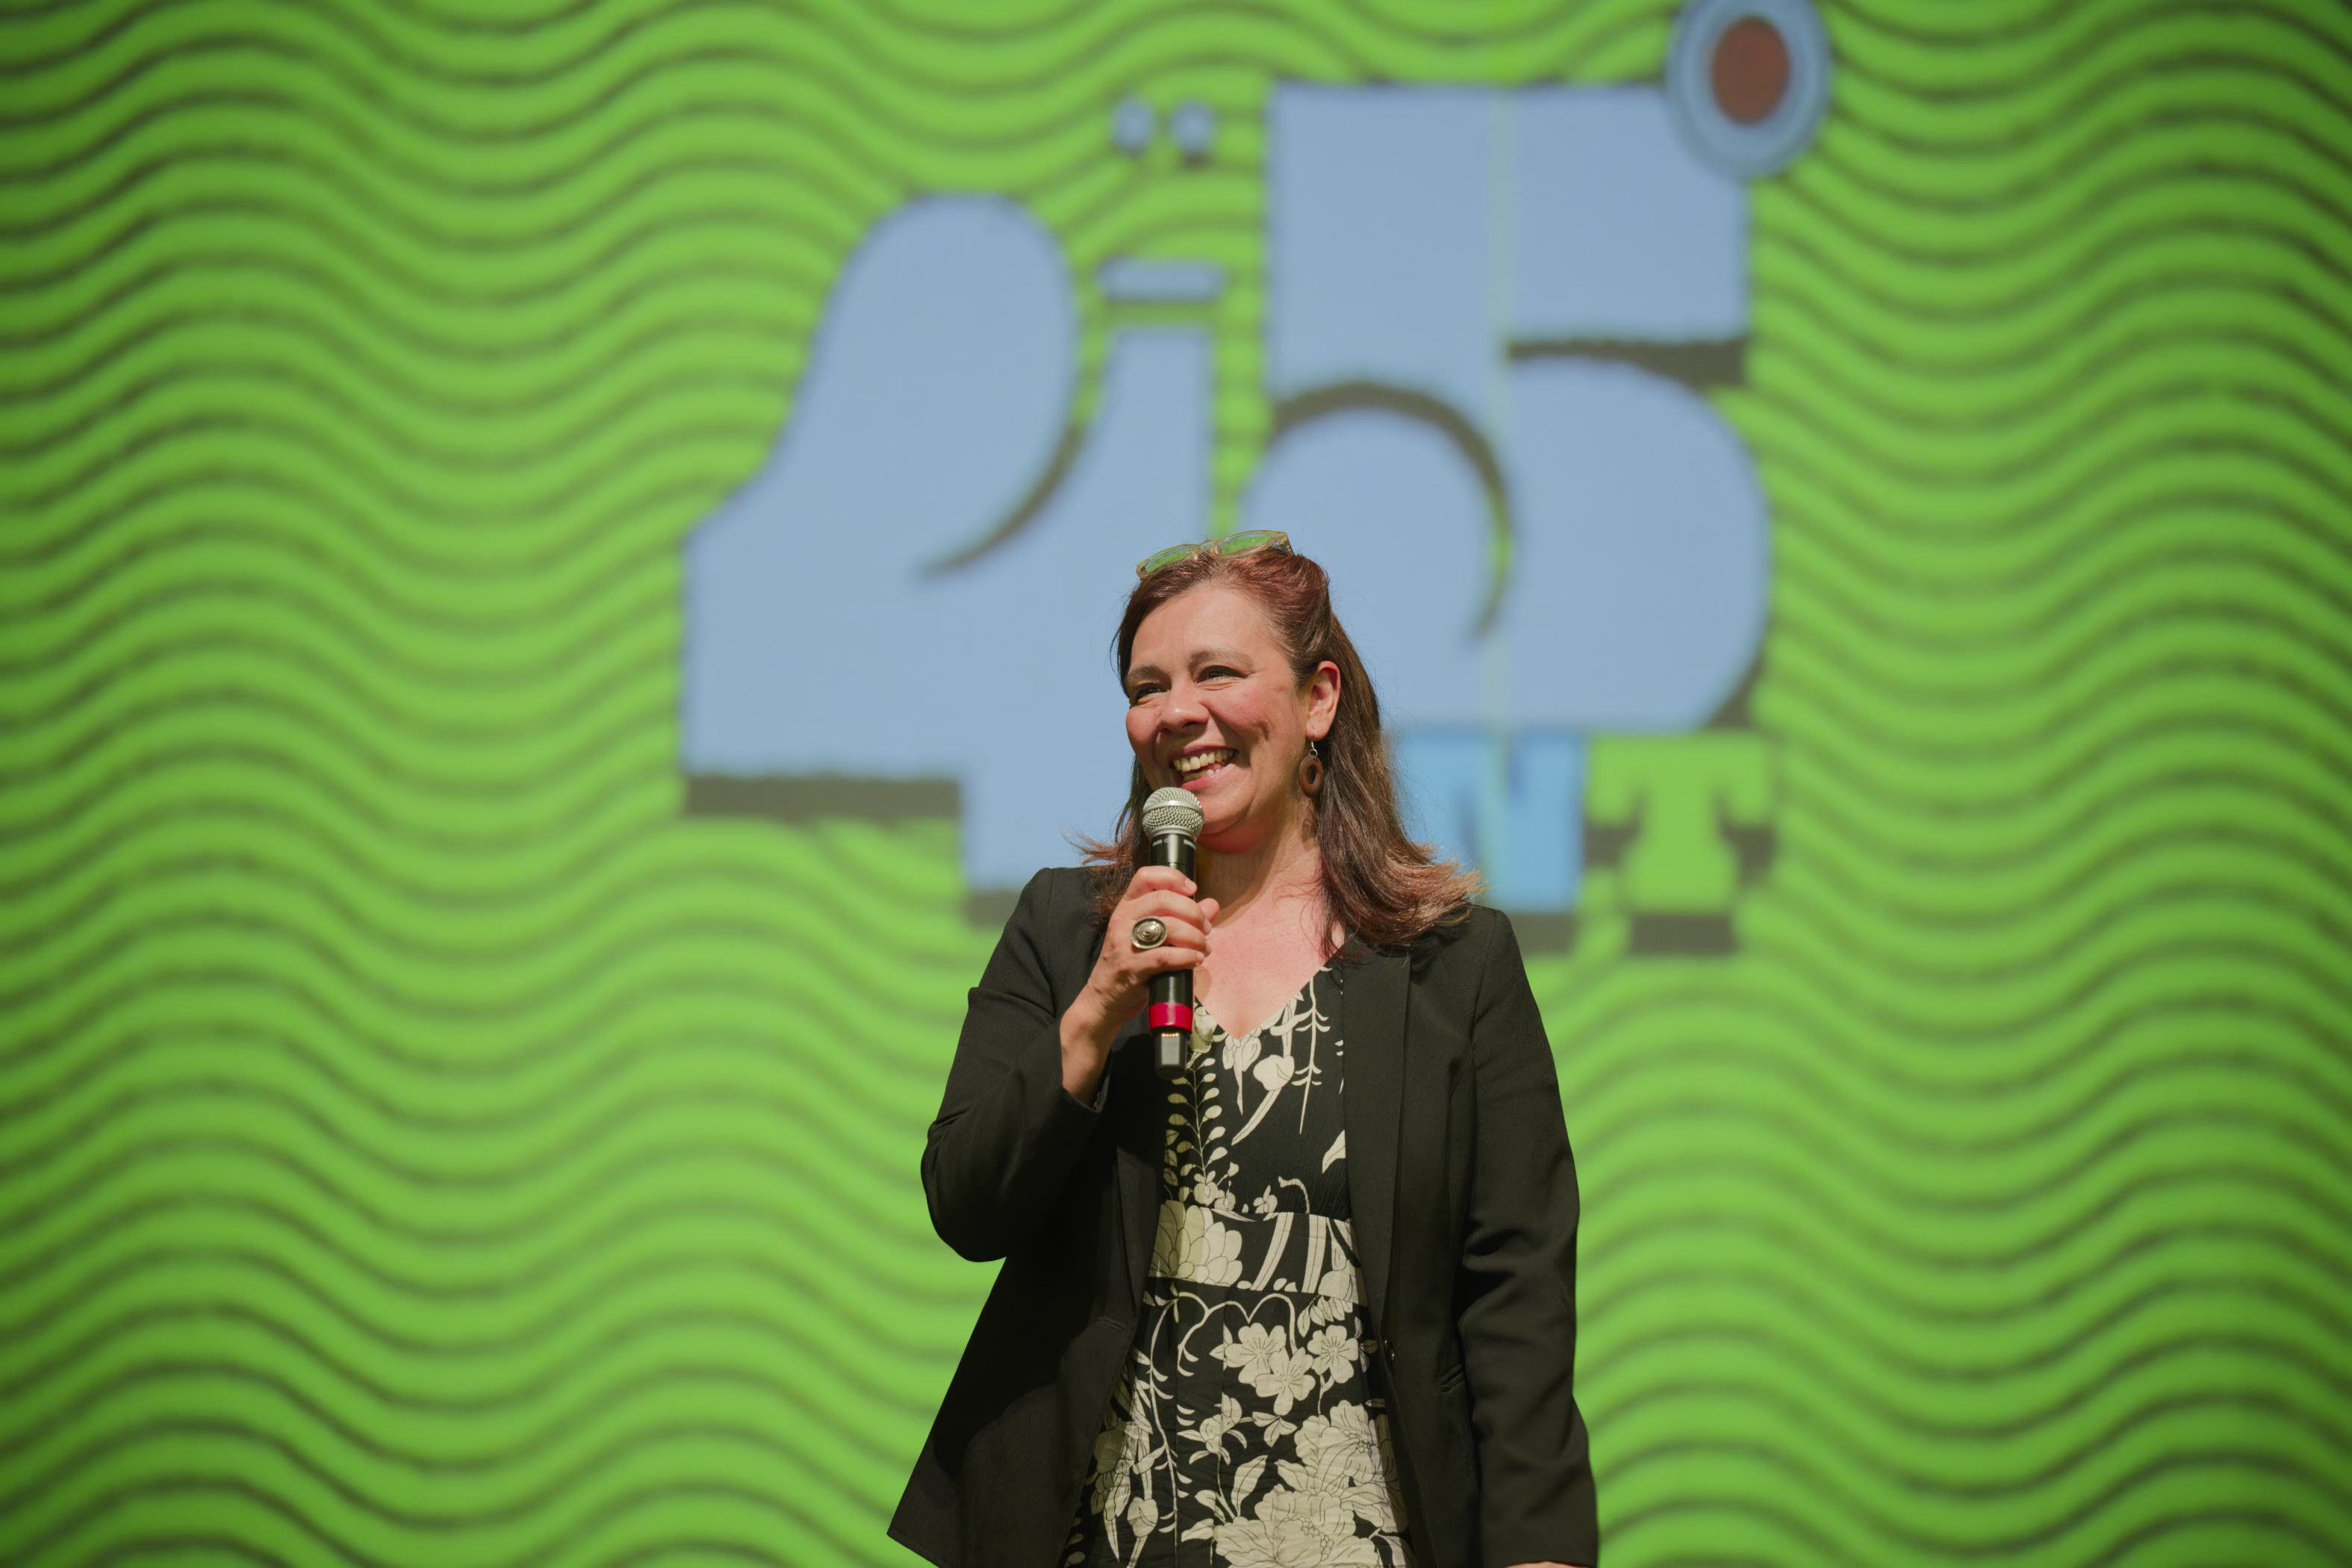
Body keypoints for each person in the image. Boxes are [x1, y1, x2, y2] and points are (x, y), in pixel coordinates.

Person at [889, 533, 1596, 1568]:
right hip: (1104, 1537)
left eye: (1216, 672)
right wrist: (1097, 1011)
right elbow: (966, 1203)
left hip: (1357, 1534)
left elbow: (1516, 1286)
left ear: (1318, 699)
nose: (1177, 712)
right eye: (1147, 687)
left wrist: (1540, 1548)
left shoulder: (1454, 963)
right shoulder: (1065, 930)